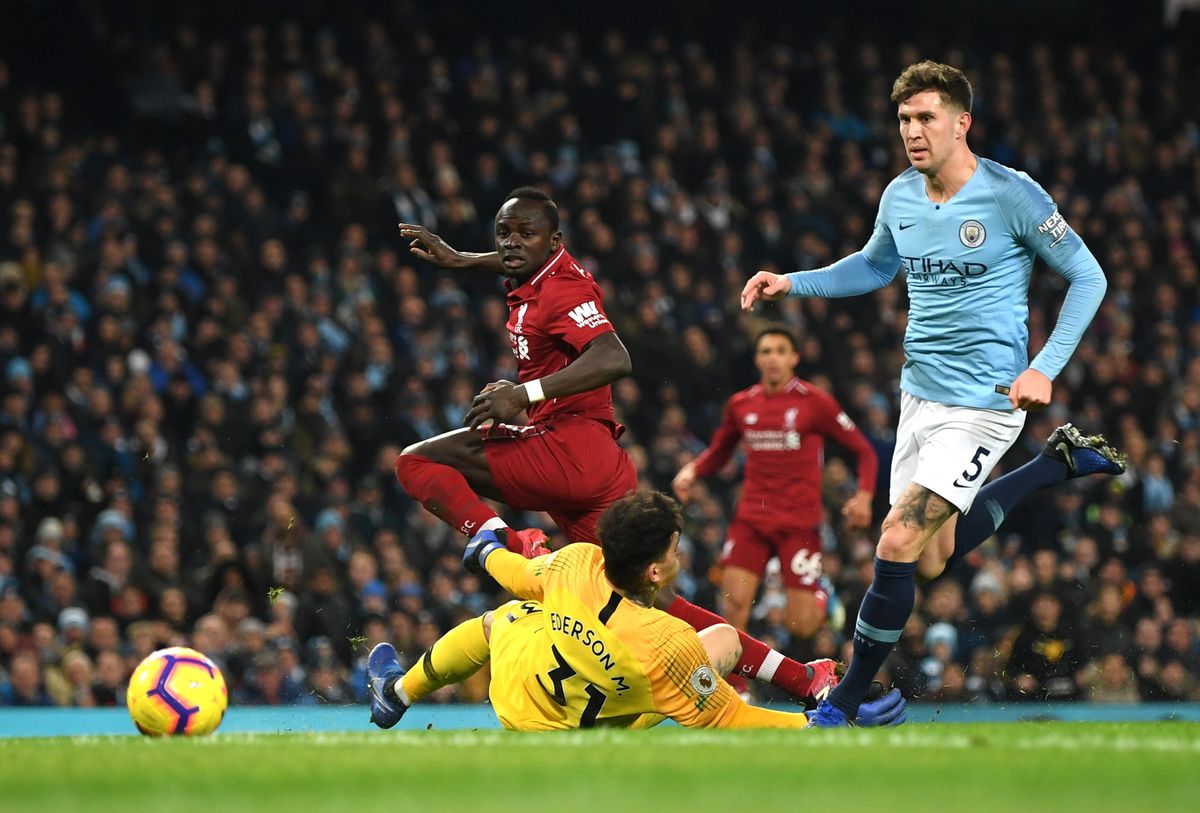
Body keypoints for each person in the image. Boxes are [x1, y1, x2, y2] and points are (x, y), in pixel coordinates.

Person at [740, 61, 1126, 726]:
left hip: (986, 402)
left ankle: (848, 701)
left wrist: (1046, 367)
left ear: (961, 122)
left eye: (925, 118)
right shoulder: (900, 196)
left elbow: (1089, 277)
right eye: (903, 120)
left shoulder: (1012, 195)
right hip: (919, 395)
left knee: (896, 539)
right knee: (929, 559)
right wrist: (792, 282)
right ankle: (1051, 467)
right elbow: (875, 264)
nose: (912, 132)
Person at [394, 188, 842, 705]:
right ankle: (803, 678)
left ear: (555, 241)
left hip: (567, 448)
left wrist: (524, 392)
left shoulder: (562, 291)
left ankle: (512, 546)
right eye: (503, 234)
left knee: (416, 462)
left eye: (525, 234)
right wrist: (462, 259)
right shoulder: (539, 271)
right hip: (597, 462)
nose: (511, 245)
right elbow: (516, 260)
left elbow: (613, 355)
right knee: (654, 599)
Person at [366, 490, 906, 730]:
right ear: (654, 570)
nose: (678, 555)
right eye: (673, 548)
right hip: (600, 718)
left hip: (522, 702)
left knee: (499, 621)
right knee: (723, 643)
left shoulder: (574, 564)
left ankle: (397, 693)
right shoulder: (664, 641)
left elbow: (518, 576)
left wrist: (487, 552)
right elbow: (731, 716)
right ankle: (807, 683)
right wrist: (814, 730)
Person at [673, 326, 878, 641]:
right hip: (752, 520)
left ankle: (824, 596)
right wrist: (693, 471)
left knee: (802, 625)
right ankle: (739, 690)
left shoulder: (815, 402)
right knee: (733, 608)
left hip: (799, 523)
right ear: (757, 359)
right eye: (766, 351)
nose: (773, 358)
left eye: (781, 351)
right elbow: (719, 451)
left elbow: (864, 451)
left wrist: (863, 497)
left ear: (794, 358)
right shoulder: (741, 405)